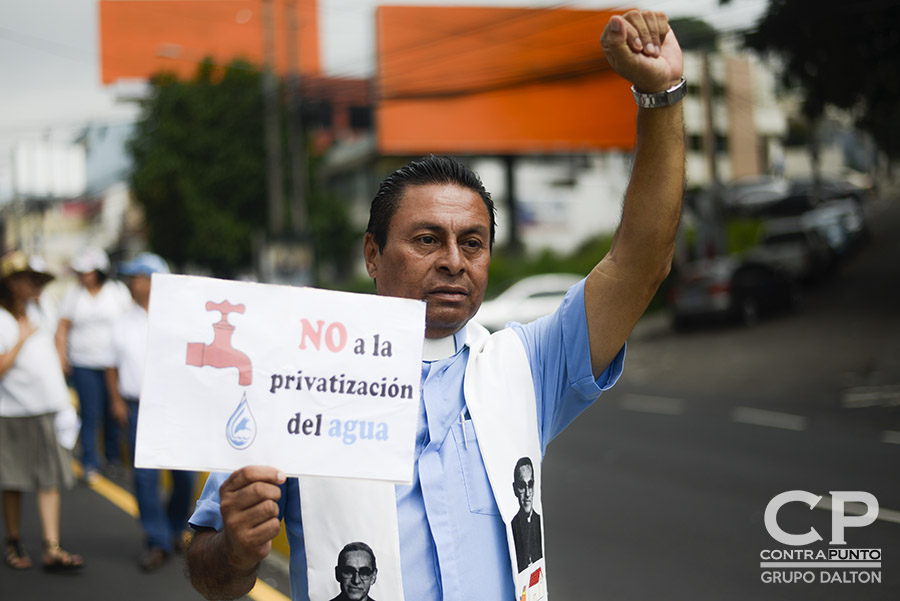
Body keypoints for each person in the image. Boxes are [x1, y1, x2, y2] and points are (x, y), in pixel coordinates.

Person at [187, 10, 684, 601]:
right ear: (373, 254)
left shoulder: (526, 366)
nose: (454, 260)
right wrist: (238, 548)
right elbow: (209, 575)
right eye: (427, 239)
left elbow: (640, 263)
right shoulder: (294, 378)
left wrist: (662, 96)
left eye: (472, 242)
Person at [107, 252, 195, 571]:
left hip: (176, 405)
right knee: (145, 478)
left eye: (138, 277)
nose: (132, 283)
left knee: (184, 476)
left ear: (155, 280)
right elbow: (111, 365)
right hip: (138, 405)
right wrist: (116, 400)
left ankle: (174, 528)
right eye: (131, 278)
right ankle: (157, 539)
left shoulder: (180, 317)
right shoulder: (123, 318)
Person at [0, 251, 84, 572]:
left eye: (38, 279)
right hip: (14, 411)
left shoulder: (42, 308)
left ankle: (52, 546)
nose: (35, 284)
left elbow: (54, 346)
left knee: (50, 479)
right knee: (13, 480)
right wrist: (20, 340)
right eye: (28, 279)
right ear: (10, 283)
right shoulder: (3, 319)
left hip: (49, 408)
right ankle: (13, 540)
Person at [55, 246, 131, 483]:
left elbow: (131, 322)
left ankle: (112, 459)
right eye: (80, 272)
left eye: (87, 272)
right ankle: (90, 462)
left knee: (114, 412)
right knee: (90, 414)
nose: (83, 276)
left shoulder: (117, 292)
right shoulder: (73, 295)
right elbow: (62, 329)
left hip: (114, 365)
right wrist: (62, 357)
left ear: (99, 271)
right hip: (84, 363)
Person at [510, 457, 541, 572]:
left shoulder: (540, 523)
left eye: (530, 485)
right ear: (515, 490)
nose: (528, 494)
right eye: (522, 486)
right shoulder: (512, 527)